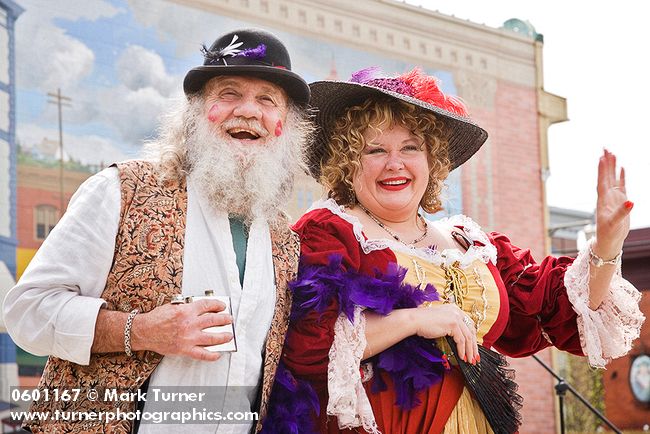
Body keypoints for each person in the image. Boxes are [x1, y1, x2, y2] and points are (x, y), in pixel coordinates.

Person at [260, 67, 644, 433]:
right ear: (348, 163)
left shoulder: (471, 243)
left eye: (410, 147)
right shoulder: (330, 232)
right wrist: (414, 320)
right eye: (375, 150)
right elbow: (303, 346)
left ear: (432, 160)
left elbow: (562, 306)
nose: (395, 164)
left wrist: (607, 242)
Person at [3, 28, 313, 433]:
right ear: (198, 113)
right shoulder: (122, 191)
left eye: (266, 100)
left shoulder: (285, 243)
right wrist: (142, 330)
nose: (248, 111)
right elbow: (26, 311)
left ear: (282, 126)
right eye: (229, 93)